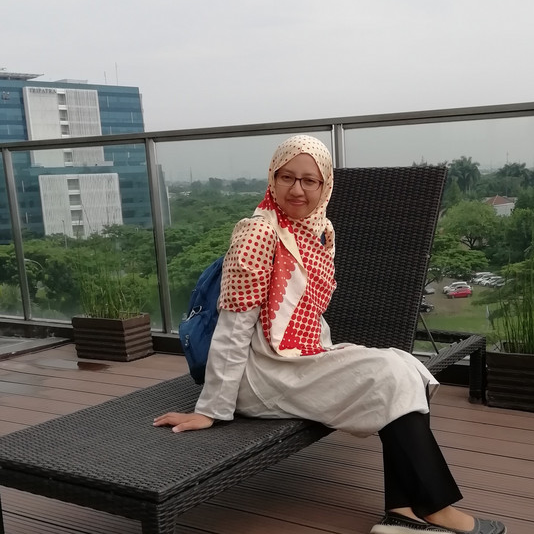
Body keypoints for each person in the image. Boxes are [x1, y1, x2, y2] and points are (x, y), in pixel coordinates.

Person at [154, 135, 506, 534]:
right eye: (287, 177)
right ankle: (435, 510)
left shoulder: (319, 230)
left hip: (300, 358)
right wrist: (211, 408)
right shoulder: (257, 235)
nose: (297, 189)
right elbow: (233, 330)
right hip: (260, 373)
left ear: (325, 186)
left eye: (310, 180)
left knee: (404, 366)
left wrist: (329, 357)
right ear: (272, 178)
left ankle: (403, 514)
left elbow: (307, 316)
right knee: (389, 375)